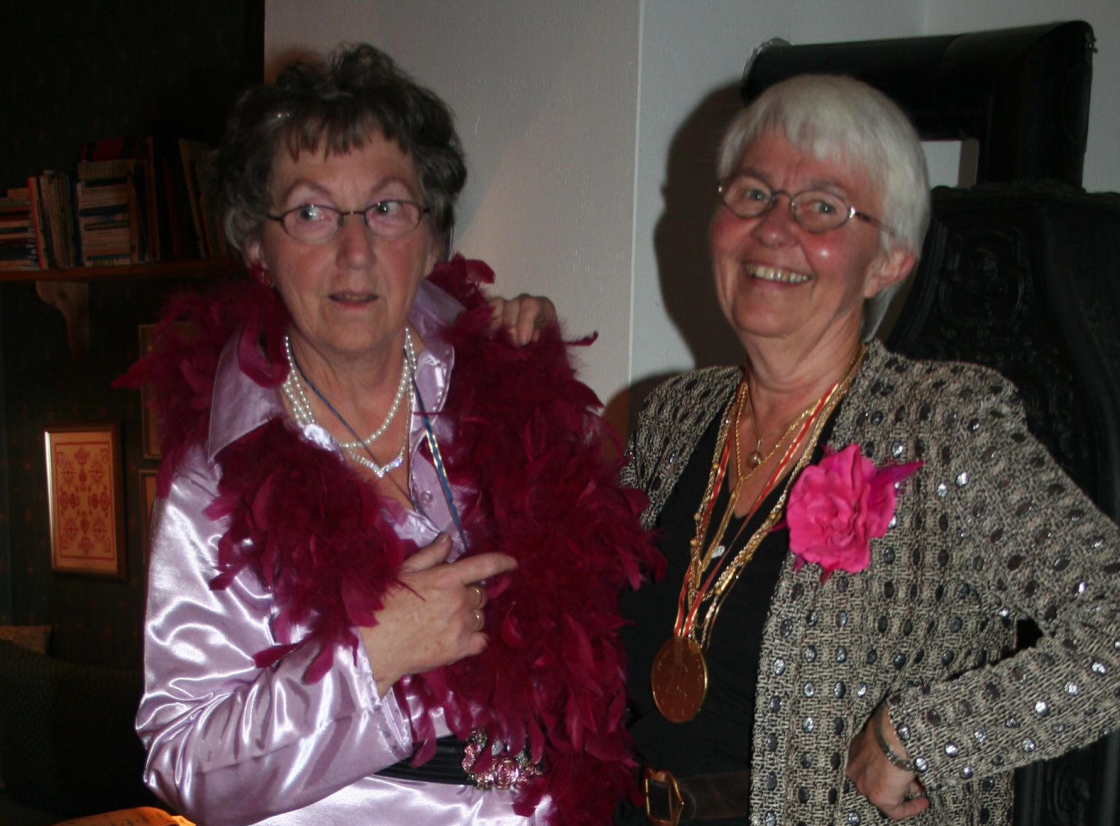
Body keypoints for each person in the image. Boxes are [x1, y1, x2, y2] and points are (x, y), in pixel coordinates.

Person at [122, 44, 656, 826]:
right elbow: (183, 762)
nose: (355, 251)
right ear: (257, 247)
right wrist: (369, 658)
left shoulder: (513, 392)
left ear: (432, 238)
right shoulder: (214, 481)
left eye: (387, 209)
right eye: (310, 213)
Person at [615, 74, 1120, 825]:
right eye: (752, 194)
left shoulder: (943, 423)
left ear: (890, 261)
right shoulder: (674, 415)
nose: (773, 228)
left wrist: (925, 735)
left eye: (823, 207)